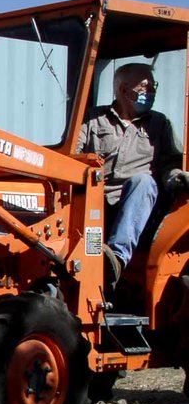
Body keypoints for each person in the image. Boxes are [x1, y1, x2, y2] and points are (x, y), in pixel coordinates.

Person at [77, 62, 188, 283]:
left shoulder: (159, 123)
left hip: (137, 202)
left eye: (153, 86)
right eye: (145, 87)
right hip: (95, 198)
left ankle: (115, 259)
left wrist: (176, 177)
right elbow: (71, 155)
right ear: (123, 90)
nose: (151, 92)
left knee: (143, 181)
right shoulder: (93, 120)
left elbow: (169, 163)